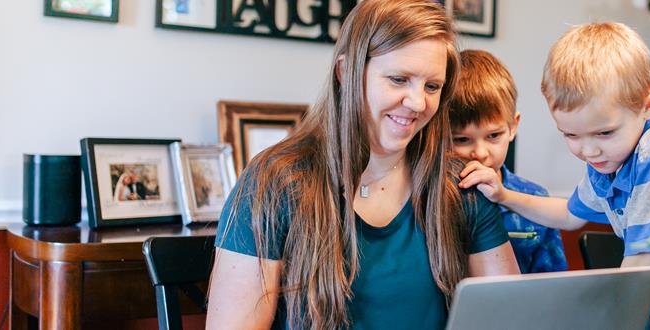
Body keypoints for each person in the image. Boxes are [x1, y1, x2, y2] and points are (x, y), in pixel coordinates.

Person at [206, 1, 520, 329]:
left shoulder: (462, 186)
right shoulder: (274, 182)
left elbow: (511, 319)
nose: (417, 103)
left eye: (432, 86)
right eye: (399, 79)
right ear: (346, 72)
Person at [459, 22, 650, 329]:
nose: (588, 150)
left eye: (604, 132)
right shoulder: (610, 157)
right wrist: (503, 195)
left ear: (648, 106)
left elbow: (644, 262)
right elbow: (569, 214)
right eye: (571, 135)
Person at [446, 49, 567, 274]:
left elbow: (553, 284)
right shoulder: (431, 202)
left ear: (513, 127)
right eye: (462, 139)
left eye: (493, 136)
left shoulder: (536, 200)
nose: (480, 153)